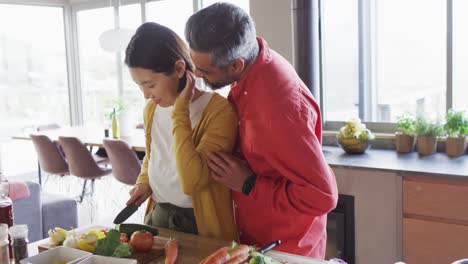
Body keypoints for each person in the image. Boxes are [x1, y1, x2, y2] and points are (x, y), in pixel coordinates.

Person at [185, 3, 338, 258]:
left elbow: (322, 197)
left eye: (205, 71)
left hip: (286, 248)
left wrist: (248, 183)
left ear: (235, 65)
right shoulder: (252, 65)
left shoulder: (280, 109)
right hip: (255, 238)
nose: (197, 75)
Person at [124, 22, 237, 241]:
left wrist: (180, 110)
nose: (146, 95)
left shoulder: (219, 111)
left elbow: (192, 182)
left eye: (150, 84)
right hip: (158, 216)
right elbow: (154, 154)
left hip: (199, 223)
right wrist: (144, 182)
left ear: (178, 69)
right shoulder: (152, 108)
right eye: (140, 86)